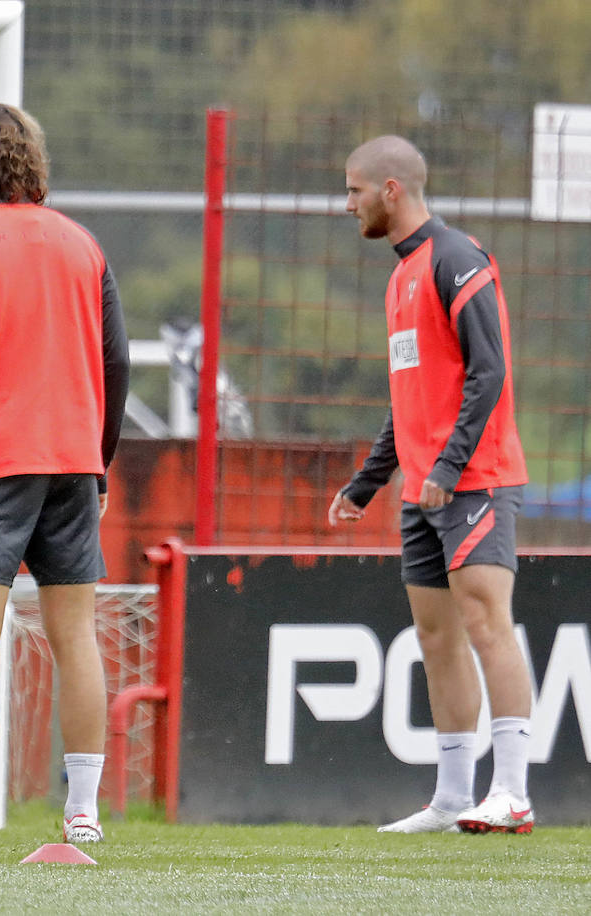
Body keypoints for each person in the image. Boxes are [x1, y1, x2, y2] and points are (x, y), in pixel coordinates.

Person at [330, 135, 533, 834]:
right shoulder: (400, 275)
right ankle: (452, 798)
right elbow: (410, 394)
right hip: (424, 489)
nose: (347, 203)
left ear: (393, 190)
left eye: (355, 189)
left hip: (474, 480)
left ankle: (512, 792)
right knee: (436, 635)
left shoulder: (458, 260)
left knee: (485, 623)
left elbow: (490, 372)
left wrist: (448, 469)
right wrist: (367, 482)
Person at [0, 103, 130, 845]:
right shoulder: (83, 244)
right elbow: (114, 360)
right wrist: (100, 459)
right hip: (75, 461)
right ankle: (82, 809)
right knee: (75, 633)